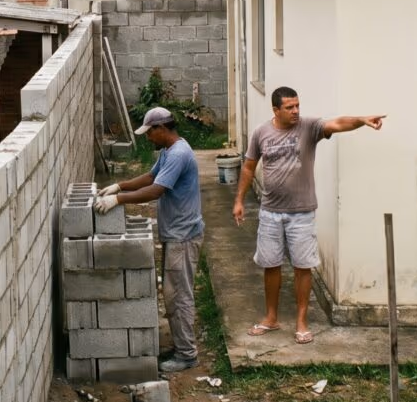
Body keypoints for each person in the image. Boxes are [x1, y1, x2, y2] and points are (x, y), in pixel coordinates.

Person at [233, 87, 384, 345]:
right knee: (271, 265)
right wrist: (238, 200)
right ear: (275, 110)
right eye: (289, 107)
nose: (295, 111)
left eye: (297, 106)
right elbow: (249, 167)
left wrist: (361, 121)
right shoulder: (261, 132)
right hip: (270, 211)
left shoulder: (309, 127)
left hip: (301, 213)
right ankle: (271, 318)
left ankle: (302, 322)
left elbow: (336, 123)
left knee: (303, 267)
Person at [95, 106, 204, 373]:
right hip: (175, 233)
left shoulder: (179, 153)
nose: (147, 138)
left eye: (149, 132)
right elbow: (151, 176)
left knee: (179, 296)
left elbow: (156, 190)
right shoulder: (169, 151)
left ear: (161, 129)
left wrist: (118, 200)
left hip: (183, 236)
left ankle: (187, 354)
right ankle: (181, 347)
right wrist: (121, 185)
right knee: (173, 293)